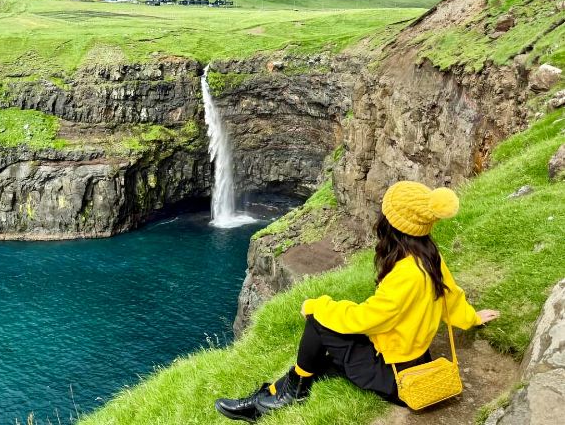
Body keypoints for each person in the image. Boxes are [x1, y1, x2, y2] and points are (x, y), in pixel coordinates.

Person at [214, 181, 499, 422]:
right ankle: (270, 396)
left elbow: (368, 318)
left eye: (385, 212)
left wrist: (318, 306)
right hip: (407, 356)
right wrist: (472, 317)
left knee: (318, 323)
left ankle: (289, 394)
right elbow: (452, 294)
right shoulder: (428, 255)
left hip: (396, 375)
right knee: (318, 359)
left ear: (394, 224)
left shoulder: (407, 273)